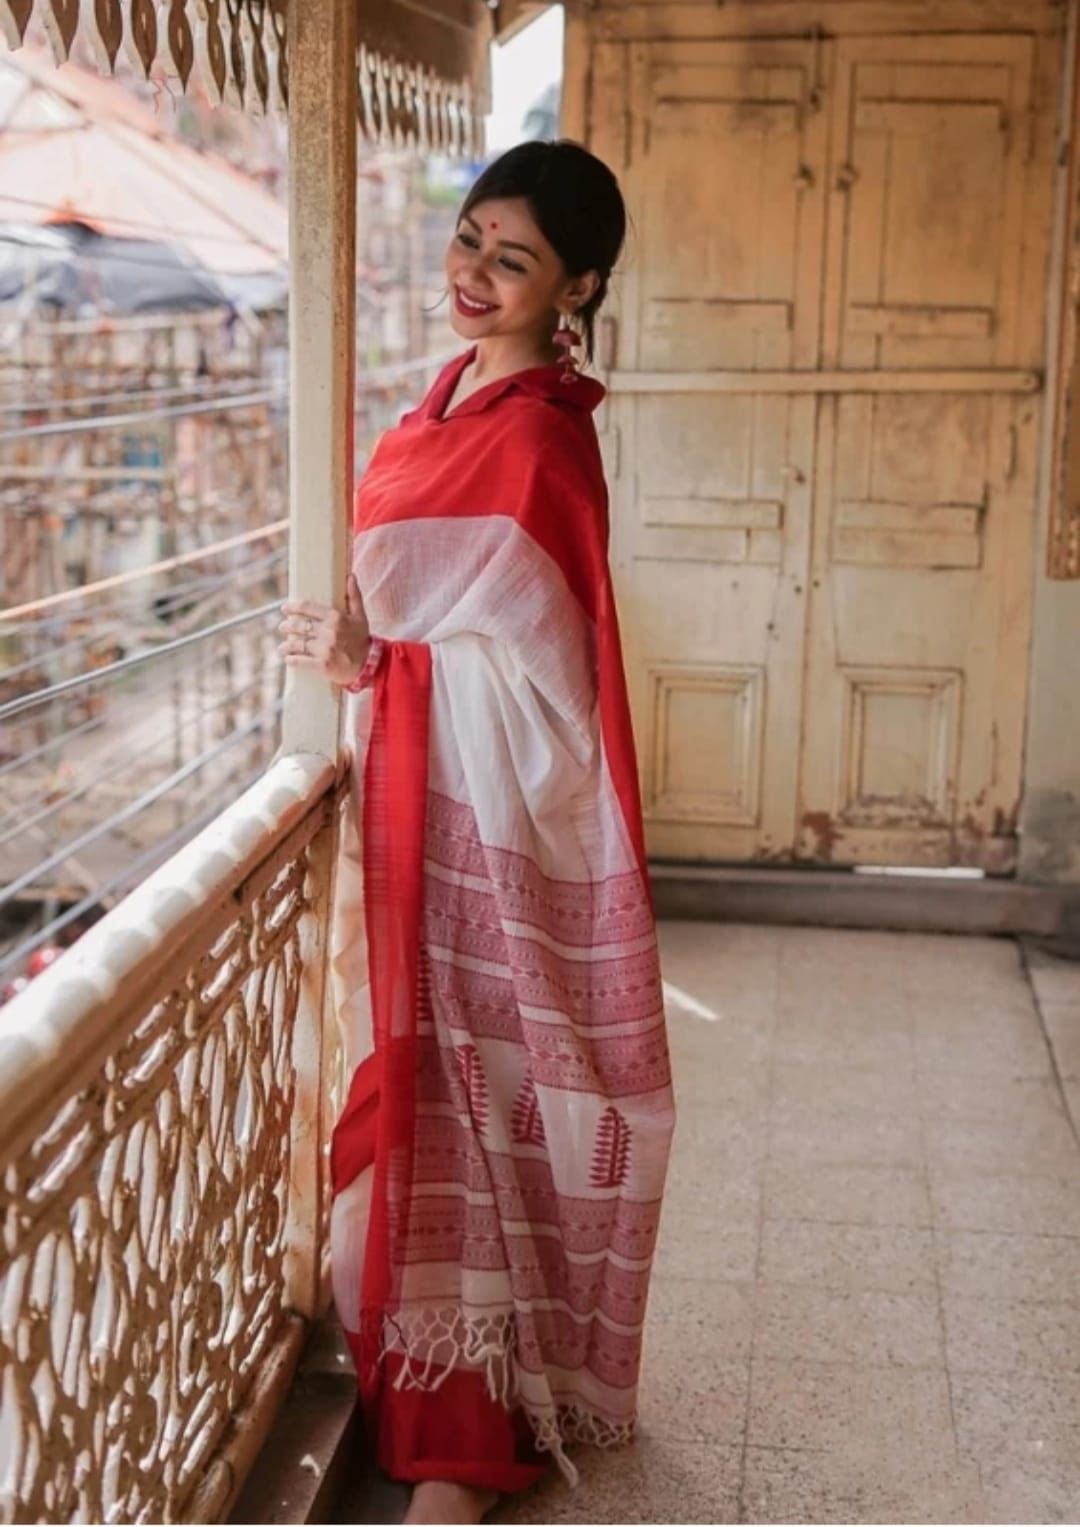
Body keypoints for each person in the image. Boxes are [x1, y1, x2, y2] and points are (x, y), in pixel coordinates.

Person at [277, 139, 676, 1526]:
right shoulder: (442, 396)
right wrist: (361, 656)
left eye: (513, 259)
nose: (474, 274)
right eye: (467, 240)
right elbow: (412, 614)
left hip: (483, 822)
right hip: (401, 791)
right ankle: (420, 1366)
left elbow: (552, 685)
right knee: (410, 1088)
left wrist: (385, 664)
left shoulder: (545, 431)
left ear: (577, 285)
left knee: (485, 1095)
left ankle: (472, 1417)